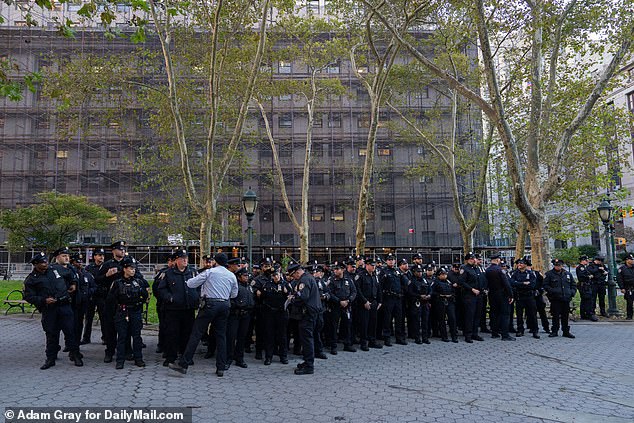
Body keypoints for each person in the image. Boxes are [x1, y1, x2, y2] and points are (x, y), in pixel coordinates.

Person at [168, 252, 238, 377]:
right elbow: (234, 294)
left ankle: (183, 364)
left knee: (196, 333)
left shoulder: (210, 272)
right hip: (225, 305)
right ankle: (221, 367)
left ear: (215, 262)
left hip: (210, 305)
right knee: (221, 336)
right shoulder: (231, 275)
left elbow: (191, 284)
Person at [24, 252, 83, 369]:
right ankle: (50, 359)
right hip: (49, 309)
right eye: (42, 262)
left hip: (64, 305)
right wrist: (43, 300)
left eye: (46, 261)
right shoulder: (31, 279)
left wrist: (74, 283)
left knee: (70, 332)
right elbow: (28, 296)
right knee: (51, 334)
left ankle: (75, 355)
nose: (46, 263)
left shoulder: (55, 269)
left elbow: (71, 274)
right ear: (35, 264)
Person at [157, 248, 199, 367]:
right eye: (182, 259)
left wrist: (196, 297)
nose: (185, 261)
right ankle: (171, 357)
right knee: (172, 334)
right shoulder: (169, 273)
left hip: (188, 309)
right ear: (176, 260)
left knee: (187, 333)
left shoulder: (193, 272)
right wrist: (170, 298)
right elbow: (161, 289)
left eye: (186, 258)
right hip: (173, 310)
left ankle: (185, 357)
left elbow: (200, 286)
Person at [108, 256, 148, 369]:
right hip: (122, 312)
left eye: (134, 268)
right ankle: (120, 360)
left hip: (135, 311)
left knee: (137, 336)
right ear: (124, 269)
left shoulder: (138, 282)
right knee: (122, 337)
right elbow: (111, 299)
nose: (133, 270)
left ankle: (138, 358)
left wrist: (140, 302)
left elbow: (145, 296)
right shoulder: (117, 283)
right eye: (131, 268)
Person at [288, 263, 322, 375]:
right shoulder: (307, 278)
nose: (293, 278)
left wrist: (292, 299)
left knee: (307, 339)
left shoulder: (304, 280)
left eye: (293, 276)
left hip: (307, 314)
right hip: (309, 313)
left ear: (297, 272)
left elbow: (303, 296)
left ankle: (309, 365)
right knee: (306, 338)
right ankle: (307, 361)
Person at [259, 268, 292, 365]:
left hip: (281, 312)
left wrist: (286, 292)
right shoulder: (267, 285)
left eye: (277, 275)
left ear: (280, 274)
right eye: (274, 275)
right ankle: (269, 357)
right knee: (269, 335)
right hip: (270, 313)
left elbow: (291, 297)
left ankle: (283, 356)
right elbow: (262, 297)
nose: (276, 277)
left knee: (282, 336)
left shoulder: (286, 284)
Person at [226, 267, 255, 369]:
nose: (247, 277)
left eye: (247, 275)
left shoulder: (249, 286)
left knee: (242, 337)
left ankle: (239, 358)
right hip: (235, 314)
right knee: (231, 337)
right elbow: (230, 300)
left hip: (246, 315)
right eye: (244, 276)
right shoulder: (235, 286)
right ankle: (228, 358)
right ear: (239, 277)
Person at [328, 260, 357, 354]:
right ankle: (333, 346)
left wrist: (348, 300)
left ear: (343, 269)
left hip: (347, 306)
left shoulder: (348, 280)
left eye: (337, 269)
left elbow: (354, 292)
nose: (335, 271)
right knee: (333, 326)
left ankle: (347, 344)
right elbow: (329, 293)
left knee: (347, 325)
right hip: (335, 306)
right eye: (334, 269)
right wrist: (339, 301)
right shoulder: (331, 280)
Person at [354, 258, 383, 350]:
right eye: (372, 265)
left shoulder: (375, 276)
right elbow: (358, 290)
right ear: (367, 265)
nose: (373, 267)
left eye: (374, 265)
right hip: (364, 303)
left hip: (374, 302)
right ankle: (363, 343)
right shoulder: (361, 276)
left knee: (373, 323)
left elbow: (378, 289)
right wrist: (364, 301)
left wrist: (380, 301)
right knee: (364, 324)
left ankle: (372, 341)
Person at [544, 259, 577, 338]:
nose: (558, 267)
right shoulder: (549, 274)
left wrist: (571, 292)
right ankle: (554, 331)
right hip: (555, 299)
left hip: (566, 298)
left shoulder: (567, 274)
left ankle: (566, 331)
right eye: (556, 265)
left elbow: (573, 285)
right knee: (555, 316)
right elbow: (545, 285)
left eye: (559, 265)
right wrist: (553, 291)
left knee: (565, 316)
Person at [70, 252, 97, 349]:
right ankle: (70, 343)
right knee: (70, 325)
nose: (80, 263)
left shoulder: (87, 274)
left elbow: (94, 287)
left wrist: (87, 292)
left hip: (84, 303)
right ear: (72, 262)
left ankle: (76, 343)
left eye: (81, 262)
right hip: (72, 303)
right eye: (77, 262)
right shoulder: (69, 273)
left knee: (79, 324)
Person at [379, 254, 407, 346]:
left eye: (392, 260)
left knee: (399, 319)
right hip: (388, 298)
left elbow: (404, 283)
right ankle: (387, 338)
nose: (391, 261)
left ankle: (399, 338)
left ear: (395, 261)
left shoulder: (397, 271)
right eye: (389, 260)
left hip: (398, 298)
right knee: (387, 319)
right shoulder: (383, 272)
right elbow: (380, 286)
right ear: (386, 261)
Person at [486, 254, 514, 341]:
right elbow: (506, 284)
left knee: (494, 313)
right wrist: (511, 295)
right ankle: (505, 335)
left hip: (492, 294)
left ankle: (494, 332)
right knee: (505, 314)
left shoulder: (487, 270)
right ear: (498, 260)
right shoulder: (500, 270)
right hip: (502, 294)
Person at [458, 252, 485, 343]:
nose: (473, 260)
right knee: (469, 315)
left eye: (474, 259)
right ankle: (468, 335)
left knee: (477, 315)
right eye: (471, 259)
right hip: (469, 295)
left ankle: (475, 333)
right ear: (467, 260)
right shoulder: (464, 269)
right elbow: (461, 282)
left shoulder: (477, 269)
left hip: (479, 295)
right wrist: (472, 289)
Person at [510, 258, 540, 339]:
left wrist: (518, 284)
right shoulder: (514, 273)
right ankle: (520, 330)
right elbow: (512, 283)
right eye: (518, 263)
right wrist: (523, 283)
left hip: (529, 296)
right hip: (519, 296)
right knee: (519, 315)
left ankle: (535, 331)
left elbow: (532, 285)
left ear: (525, 265)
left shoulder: (530, 273)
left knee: (532, 314)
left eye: (521, 263)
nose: (519, 265)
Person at [83, 247, 105, 344]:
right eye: (99, 255)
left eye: (103, 255)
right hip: (91, 296)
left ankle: (105, 337)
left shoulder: (105, 267)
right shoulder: (89, 268)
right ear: (95, 256)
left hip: (102, 295)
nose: (102, 257)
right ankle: (86, 338)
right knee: (88, 318)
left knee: (104, 318)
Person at [433, 267, 458, 343]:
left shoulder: (448, 282)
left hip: (449, 302)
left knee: (452, 319)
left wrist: (451, 295)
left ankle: (454, 336)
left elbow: (454, 291)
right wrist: (440, 295)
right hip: (440, 302)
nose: (444, 276)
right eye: (442, 274)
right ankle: (444, 336)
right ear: (438, 275)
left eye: (445, 274)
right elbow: (432, 292)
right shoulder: (435, 282)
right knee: (442, 320)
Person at [576, 255, 598, 321]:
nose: (587, 261)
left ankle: (584, 314)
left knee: (585, 300)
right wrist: (589, 276)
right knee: (588, 300)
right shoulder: (580, 268)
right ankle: (589, 313)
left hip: (586, 285)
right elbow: (582, 276)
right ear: (583, 261)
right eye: (586, 260)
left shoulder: (584, 267)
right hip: (584, 286)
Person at [617, 253, 634, 320]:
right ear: (627, 260)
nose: (633, 261)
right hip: (628, 288)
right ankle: (629, 316)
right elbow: (619, 279)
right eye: (631, 259)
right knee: (629, 303)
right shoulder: (622, 269)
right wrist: (622, 288)